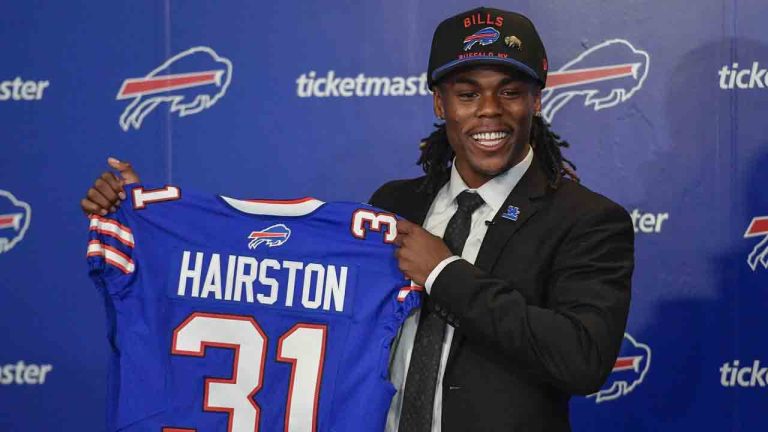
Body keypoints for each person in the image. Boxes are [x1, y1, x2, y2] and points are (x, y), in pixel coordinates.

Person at [81, 7, 633, 431]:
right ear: (440, 104)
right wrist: (151, 219)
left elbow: (582, 359)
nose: (489, 110)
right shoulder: (394, 204)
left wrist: (444, 274)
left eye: (510, 92)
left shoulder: (588, 219)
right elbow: (279, 277)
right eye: (468, 94)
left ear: (536, 101)